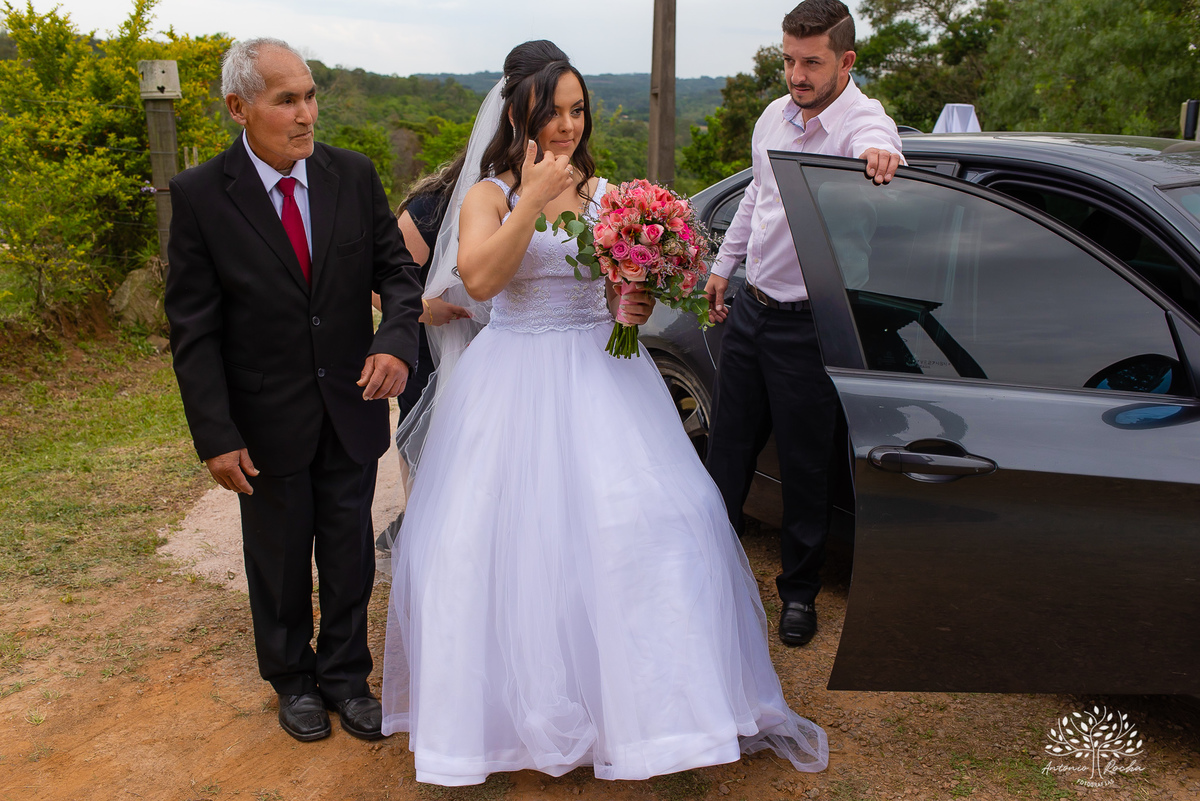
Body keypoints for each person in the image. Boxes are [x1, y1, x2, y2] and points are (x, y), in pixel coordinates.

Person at [381, 40, 828, 787]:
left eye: (577, 110)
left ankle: (656, 710)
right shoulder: (490, 192)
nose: (566, 125)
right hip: (516, 378)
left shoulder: (604, 192)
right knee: (508, 544)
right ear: (518, 111)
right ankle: (508, 717)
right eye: (552, 111)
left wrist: (634, 297)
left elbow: (615, 288)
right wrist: (530, 197)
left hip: (605, 373)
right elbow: (484, 283)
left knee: (660, 521)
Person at [164, 38, 423, 743]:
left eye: (310, 95)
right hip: (264, 417)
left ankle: (346, 676)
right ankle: (292, 679)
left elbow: (398, 274)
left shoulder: (353, 175)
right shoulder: (198, 197)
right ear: (238, 108)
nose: (307, 113)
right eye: (287, 100)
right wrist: (216, 434)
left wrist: (396, 339)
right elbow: (193, 328)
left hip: (351, 404)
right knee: (277, 557)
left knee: (348, 550)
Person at [703, 0, 903, 648]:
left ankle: (798, 595)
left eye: (811, 62)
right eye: (789, 59)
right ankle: (705, 573)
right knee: (728, 449)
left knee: (805, 465)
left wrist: (881, 154)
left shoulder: (859, 125)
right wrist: (722, 267)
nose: (796, 74)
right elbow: (757, 197)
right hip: (753, 309)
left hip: (811, 323)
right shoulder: (772, 116)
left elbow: (880, 142)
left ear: (845, 61)